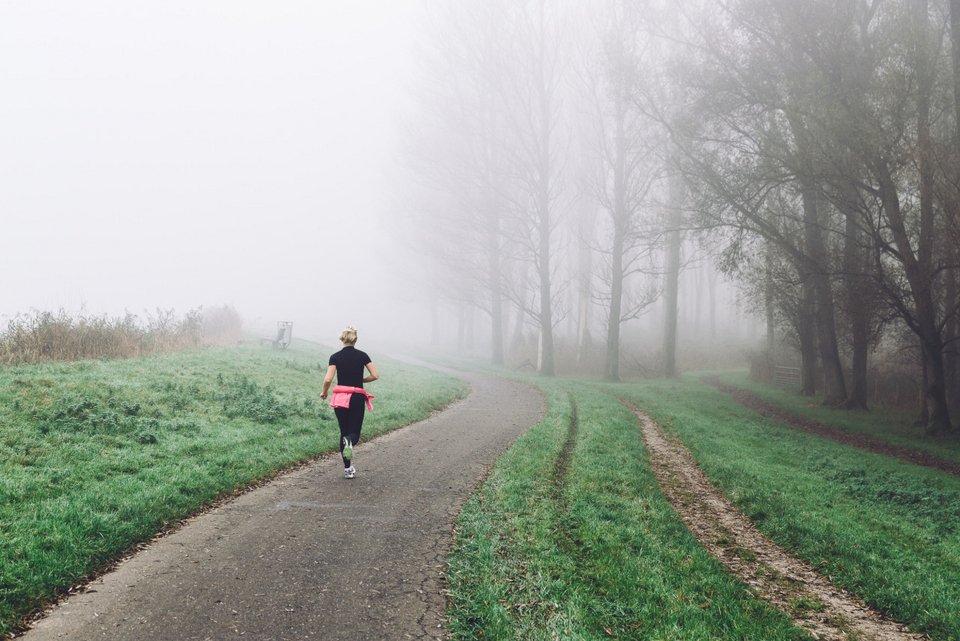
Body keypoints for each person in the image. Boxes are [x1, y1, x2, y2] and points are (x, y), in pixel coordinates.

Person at [320, 326, 378, 479]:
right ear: (355, 339)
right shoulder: (363, 356)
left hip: (340, 397)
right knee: (354, 434)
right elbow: (375, 375)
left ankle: (348, 469)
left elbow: (328, 379)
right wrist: (362, 380)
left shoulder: (335, 357)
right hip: (356, 397)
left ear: (342, 339)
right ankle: (349, 442)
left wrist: (324, 392)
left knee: (344, 431)